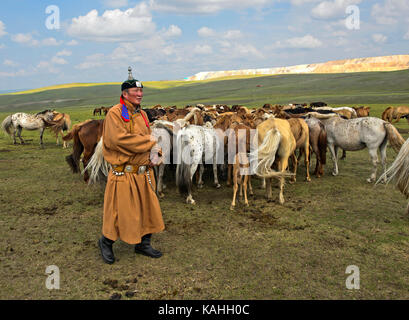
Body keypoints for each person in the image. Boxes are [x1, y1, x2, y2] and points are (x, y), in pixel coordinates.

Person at [98, 74, 164, 264]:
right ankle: (106, 242)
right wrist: (150, 143)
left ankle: (143, 244)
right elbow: (118, 139)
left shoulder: (142, 114)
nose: (139, 94)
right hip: (123, 173)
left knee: (147, 210)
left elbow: (151, 138)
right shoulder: (115, 113)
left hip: (144, 173)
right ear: (125, 94)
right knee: (120, 213)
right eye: (135, 91)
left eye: (141, 90)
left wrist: (156, 154)